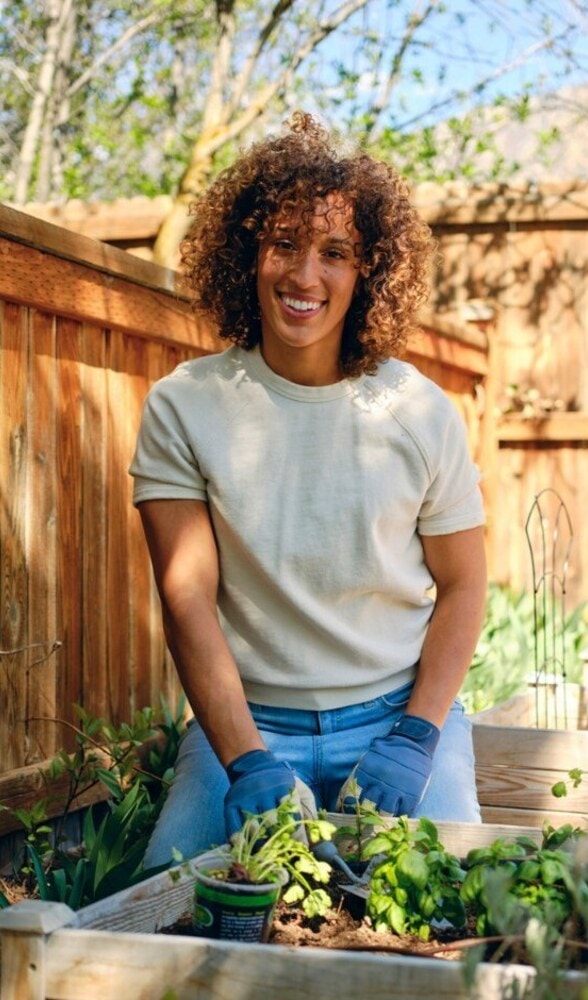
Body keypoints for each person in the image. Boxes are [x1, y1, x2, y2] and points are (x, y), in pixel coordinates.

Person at [130, 112, 488, 868]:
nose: (304, 275)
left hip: (398, 719)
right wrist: (245, 758)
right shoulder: (183, 405)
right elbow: (185, 596)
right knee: (160, 904)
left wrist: (417, 738)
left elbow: (463, 586)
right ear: (247, 255)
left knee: (454, 902)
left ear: (368, 272)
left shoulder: (418, 410)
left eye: (335, 252)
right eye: (284, 244)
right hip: (250, 726)